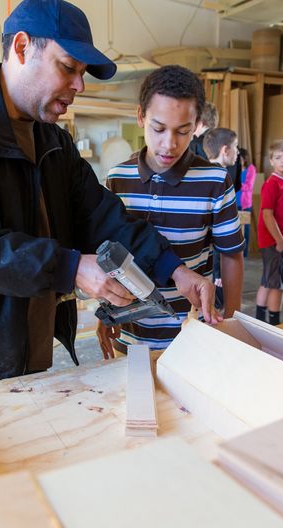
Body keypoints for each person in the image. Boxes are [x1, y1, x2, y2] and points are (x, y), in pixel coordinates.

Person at [0, 0, 218, 393]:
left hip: (24, 341)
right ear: (21, 47)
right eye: (68, 68)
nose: (79, 85)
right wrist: (71, 268)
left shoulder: (51, 139)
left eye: (82, 73)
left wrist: (173, 268)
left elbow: (100, 213)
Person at [96, 66, 244, 359]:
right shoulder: (117, 178)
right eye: (158, 128)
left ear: (198, 125)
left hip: (193, 336)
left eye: (182, 131)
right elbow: (108, 254)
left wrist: (231, 318)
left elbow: (231, 254)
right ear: (141, 117)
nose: (169, 144)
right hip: (131, 334)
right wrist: (105, 312)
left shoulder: (214, 180)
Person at [255, 139, 283, 326]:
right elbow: (266, 214)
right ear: (271, 161)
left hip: (281, 240)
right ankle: (274, 324)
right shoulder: (273, 184)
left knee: (268, 281)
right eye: (278, 157)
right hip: (275, 242)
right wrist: (280, 241)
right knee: (278, 285)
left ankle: (259, 321)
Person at [202, 128, 242, 310]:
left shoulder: (202, 175)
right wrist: (219, 273)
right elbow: (218, 234)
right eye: (236, 147)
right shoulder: (220, 179)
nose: (238, 152)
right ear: (225, 150)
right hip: (215, 267)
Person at [236, 147, 256, 258]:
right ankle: (236, 252)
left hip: (245, 204)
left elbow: (248, 187)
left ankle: (244, 253)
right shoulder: (234, 168)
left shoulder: (251, 169)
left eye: (241, 158)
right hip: (233, 202)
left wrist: (236, 183)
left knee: (246, 229)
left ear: (245, 159)